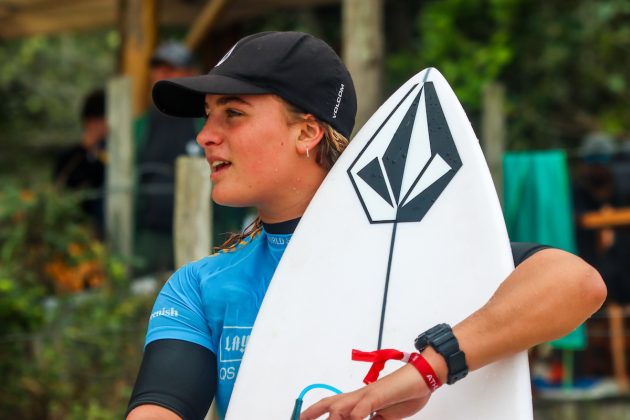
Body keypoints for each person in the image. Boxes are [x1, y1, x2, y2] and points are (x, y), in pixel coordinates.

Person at [126, 31, 606, 420]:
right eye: (208, 116)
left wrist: (425, 371)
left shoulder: (420, 254)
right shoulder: (199, 288)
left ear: (307, 132)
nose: (206, 136)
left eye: (233, 113)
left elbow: (576, 284)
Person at [135, 41, 248, 275]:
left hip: (205, 232)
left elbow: (236, 170)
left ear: (191, 73)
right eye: (158, 67)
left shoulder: (207, 123)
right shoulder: (139, 127)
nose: (162, 74)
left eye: (171, 68)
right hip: (150, 236)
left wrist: (231, 232)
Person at [54, 89, 107, 238]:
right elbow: (61, 184)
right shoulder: (72, 156)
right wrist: (84, 149)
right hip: (78, 229)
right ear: (90, 122)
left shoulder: (116, 155)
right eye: (99, 121)